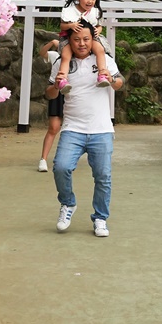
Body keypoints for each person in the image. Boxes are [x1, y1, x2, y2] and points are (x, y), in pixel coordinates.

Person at [45, 20, 124, 237]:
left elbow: (119, 82)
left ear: (93, 39)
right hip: (73, 128)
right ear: (69, 41)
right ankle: (68, 204)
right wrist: (55, 85)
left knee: (103, 176)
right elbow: (50, 94)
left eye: (86, 39)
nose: (82, 44)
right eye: (77, 39)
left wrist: (111, 80)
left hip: (101, 129)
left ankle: (100, 218)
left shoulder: (104, 59)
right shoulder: (63, 62)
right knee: (60, 167)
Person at [54, 0, 112, 94]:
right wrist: (71, 26)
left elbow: (100, 26)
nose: (90, 1)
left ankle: (102, 74)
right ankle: (63, 79)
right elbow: (62, 26)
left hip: (90, 38)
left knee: (100, 50)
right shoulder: (69, 10)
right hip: (70, 38)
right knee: (66, 56)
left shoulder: (95, 11)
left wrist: (98, 31)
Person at [38, 39, 61, 172]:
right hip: (57, 90)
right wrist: (52, 42)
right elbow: (42, 53)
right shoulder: (55, 55)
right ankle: (43, 159)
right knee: (53, 127)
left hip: (75, 92)